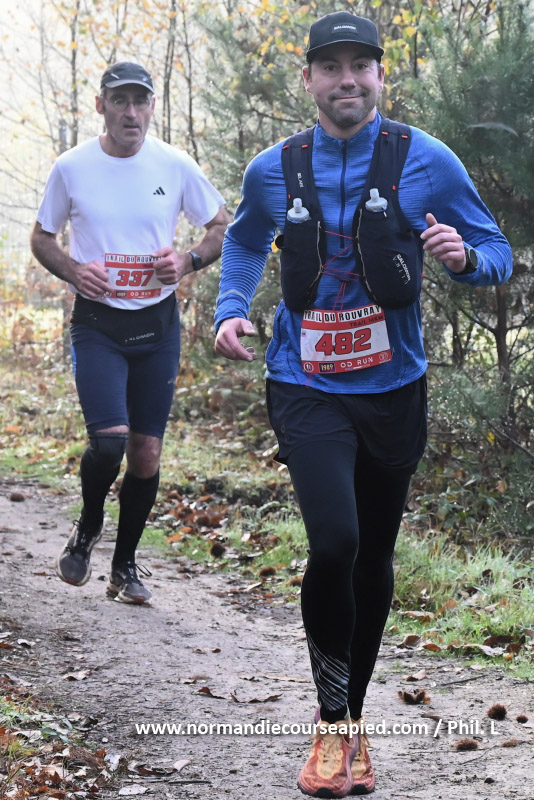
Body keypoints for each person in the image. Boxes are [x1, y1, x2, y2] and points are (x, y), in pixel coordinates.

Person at [214, 12, 512, 798]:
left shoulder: (426, 160)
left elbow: (498, 252)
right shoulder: (274, 169)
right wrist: (231, 307)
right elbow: (244, 239)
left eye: (360, 66)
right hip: (305, 383)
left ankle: (351, 723)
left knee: (374, 554)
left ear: (381, 75)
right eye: (330, 66)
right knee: (336, 541)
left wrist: (463, 258)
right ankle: (332, 721)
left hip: (393, 388)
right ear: (309, 79)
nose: (346, 79)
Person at [31, 62, 229, 605]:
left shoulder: (174, 164)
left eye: (141, 101)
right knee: (109, 443)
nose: (131, 112)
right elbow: (42, 237)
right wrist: (74, 270)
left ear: (152, 107)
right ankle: (88, 524)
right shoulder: (72, 167)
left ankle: (124, 566)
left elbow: (220, 225)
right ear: (101, 106)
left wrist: (187, 261)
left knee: (145, 455)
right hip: (98, 323)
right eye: (120, 101)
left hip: (157, 324)